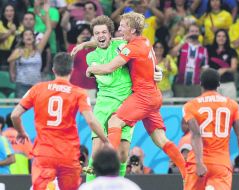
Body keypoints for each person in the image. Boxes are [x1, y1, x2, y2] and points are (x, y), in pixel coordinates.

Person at [86, 12, 186, 179]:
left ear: (132, 30)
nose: (119, 29)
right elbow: (116, 42)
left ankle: (106, 165)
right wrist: (84, 45)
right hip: (154, 96)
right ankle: (187, 171)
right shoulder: (145, 41)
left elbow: (109, 68)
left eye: (123, 26)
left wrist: (90, 69)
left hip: (143, 97)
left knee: (114, 121)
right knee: (160, 139)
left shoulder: (131, 48)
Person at [10, 52, 108, 190]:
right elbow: (91, 120)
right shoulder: (78, 92)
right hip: (68, 154)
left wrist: (21, 132)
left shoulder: (38, 89)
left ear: (53, 70)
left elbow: (14, 115)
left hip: (44, 154)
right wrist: (105, 141)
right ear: (71, 70)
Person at [72, 15, 134, 182]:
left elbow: (141, 51)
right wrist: (94, 68)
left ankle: (117, 185)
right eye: (97, 33)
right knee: (97, 150)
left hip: (125, 105)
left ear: (110, 34)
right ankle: (92, 185)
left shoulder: (121, 45)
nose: (100, 36)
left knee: (122, 155)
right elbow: (106, 77)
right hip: (103, 105)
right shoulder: (90, 57)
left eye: (104, 32)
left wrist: (156, 71)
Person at [182, 68, 239, 190]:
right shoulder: (232, 105)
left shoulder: (190, 106)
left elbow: (196, 135)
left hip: (197, 163)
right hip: (221, 164)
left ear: (200, 84)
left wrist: (199, 163)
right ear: (219, 84)